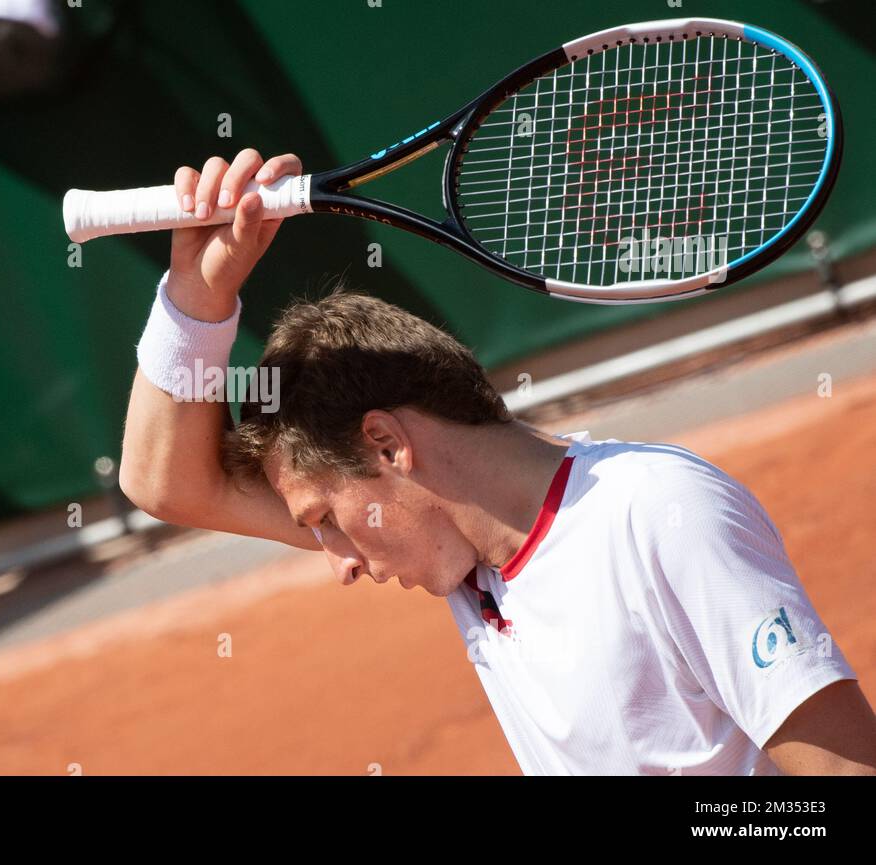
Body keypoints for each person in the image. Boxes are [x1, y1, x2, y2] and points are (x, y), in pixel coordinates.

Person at [119, 148, 876, 775]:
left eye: (324, 519)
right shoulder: (468, 555)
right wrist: (197, 292)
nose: (338, 563)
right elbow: (162, 482)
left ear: (388, 445)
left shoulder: (657, 517)